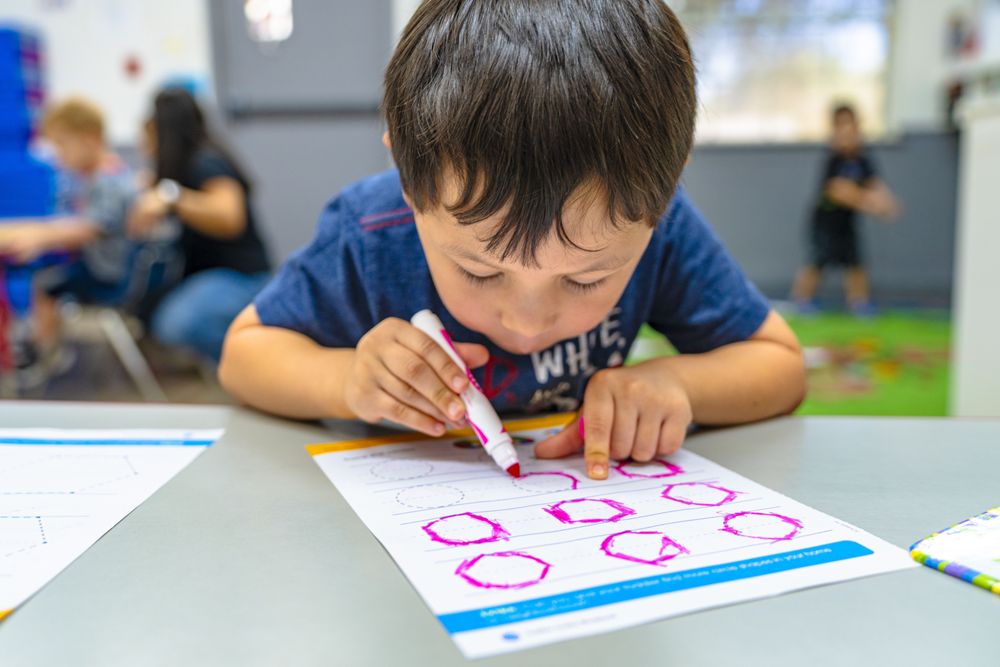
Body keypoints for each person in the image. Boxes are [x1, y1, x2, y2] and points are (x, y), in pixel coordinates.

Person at [219, 0, 806, 480]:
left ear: (662, 198)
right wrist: (344, 382)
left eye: (586, 278)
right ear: (408, 180)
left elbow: (779, 365)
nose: (528, 323)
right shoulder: (370, 236)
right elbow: (244, 356)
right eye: (479, 271)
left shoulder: (659, 224)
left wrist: (676, 384)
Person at [127, 88, 271, 362]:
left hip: (242, 279)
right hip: (209, 277)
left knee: (177, 323)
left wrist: (172, 197)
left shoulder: (206, 161)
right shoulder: (185, 166)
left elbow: (230, 217)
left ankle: (254, 365)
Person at [0, 97, 140, 366]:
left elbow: (92, 227)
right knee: (38, 267)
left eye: (63, 145)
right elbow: (65, 220)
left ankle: (42, 352)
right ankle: (40, 345)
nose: (58, 155)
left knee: (45, 282)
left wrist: (41, 237)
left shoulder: (110, 179)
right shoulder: (82, 179)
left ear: (89, 139)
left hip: (109, 275)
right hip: (93, 264)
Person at [791, 104, 900, 316]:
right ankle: (802, 300)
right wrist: (868, 204)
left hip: (847, 221)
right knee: (816, 261)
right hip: (825, 221)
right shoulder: (833, 159)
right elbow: (837, 190)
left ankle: (859, 303)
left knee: (855, 262)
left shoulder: (863, 159)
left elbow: (875, 185)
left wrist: (887, 203)